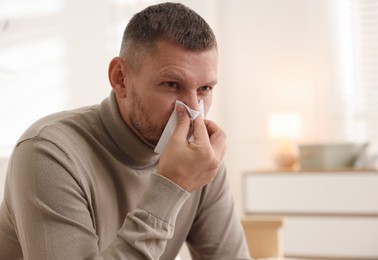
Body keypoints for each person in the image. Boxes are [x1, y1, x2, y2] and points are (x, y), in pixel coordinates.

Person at [0, 2, 250, 259]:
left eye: (205, 89)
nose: (193, 110)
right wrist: (171, 187)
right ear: (120, 78)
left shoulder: (200, 161)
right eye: (172, 84)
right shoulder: (48, 153)